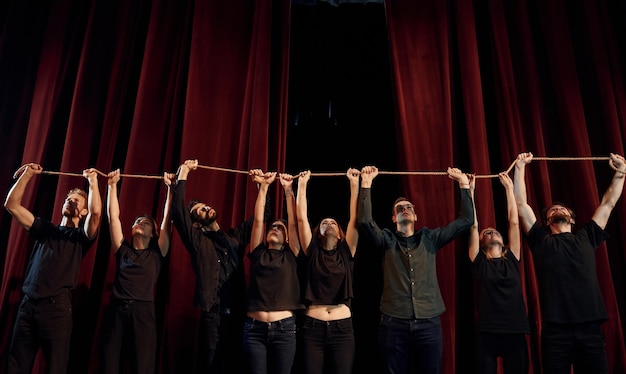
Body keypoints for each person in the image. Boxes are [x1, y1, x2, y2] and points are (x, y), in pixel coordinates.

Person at [513, 152, 626, 374]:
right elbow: (521, 204)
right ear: (547, 222)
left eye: (562, 208)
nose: (557, 210)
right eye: (552, 210)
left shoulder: (587, 236)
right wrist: (520, 168)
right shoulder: (541, 241)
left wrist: (621, 172)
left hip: (590, 327)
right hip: (556, 332)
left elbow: (608, 204)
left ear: (572, 219)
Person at [357, 165, 474, 374]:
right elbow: (365, 221)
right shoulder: (386, 239)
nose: (405, 209)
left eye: (409, 207)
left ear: (416, 216)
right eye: (400, 209)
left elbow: (466, 221)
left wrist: (464, 185)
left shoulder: (430, 238)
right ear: (394, 219)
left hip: (429, 321)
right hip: (393, 321)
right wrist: (366, 183)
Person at [170, 159, 269, 373]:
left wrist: (260, 186)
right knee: (211, 365)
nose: (206, 207)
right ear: (196, 223)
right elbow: (178, 213)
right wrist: (184, 172)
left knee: (236, 365)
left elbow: (262, 216)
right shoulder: (198, 242)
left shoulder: (234, 237)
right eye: (200, 210)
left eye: (205, 205)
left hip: (239, 314)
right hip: (213, 316)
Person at [4, 163, 102, 374]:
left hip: (57, 311)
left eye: (76, 201)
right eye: (68, 199)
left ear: (82, 211)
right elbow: (11, 205)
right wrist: (28, 175)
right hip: (28, 307)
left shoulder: (80, 237)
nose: (70, 201)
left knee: (56, 368)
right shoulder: (45, 229)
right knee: (15, 367)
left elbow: (95, 215)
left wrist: (93, 182)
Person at [100, 168, 173, 374]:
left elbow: (167, 219)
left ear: (154, 233)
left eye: (146, 222)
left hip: (143, 312)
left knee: (143, 365)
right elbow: (113, 217)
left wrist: (170, 190)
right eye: (136, 221)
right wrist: (112, 186)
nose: (139, 222)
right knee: (109, 364)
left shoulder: (157, 253)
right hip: (117, 311)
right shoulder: (123, 250)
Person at [295, 168, 360, 374]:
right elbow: (301, 219)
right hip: (312, 327)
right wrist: (302, 185)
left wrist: (354, 184)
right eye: (324, 223)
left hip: (343, 328)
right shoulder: (312, 251)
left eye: (333, 222)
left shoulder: (346, 252)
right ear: (318, 232)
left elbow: (354, 219)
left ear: (341, 235)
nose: (329, 224)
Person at [467, 172, 530, 374]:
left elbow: (514, 222)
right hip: (487, 332)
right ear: (481, 241)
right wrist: (470, 191)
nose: (491, 232)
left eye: (495, 231)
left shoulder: (512, 258)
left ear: (503, 240)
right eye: (487, 233)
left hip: (515, 331)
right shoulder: (477, 261)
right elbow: (473, 225)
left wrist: (509, 189)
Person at [243, 170, 304, 374]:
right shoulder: (257, 252)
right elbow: (259, 220)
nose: (275, 228)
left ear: (287, 238)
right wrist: (264, 186)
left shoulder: (292, 254)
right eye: (273, 227)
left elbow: (294, 223)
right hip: (254, 329)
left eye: (280, 228)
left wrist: (288, 190)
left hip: (284, 329)